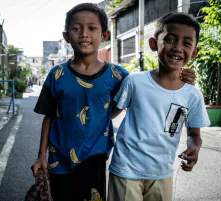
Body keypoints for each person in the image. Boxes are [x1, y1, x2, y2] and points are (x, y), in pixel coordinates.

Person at [31, 4, 197, 201]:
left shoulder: (119, 75)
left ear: (104, 35)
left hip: (96, 156)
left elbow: (153, 88)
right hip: (57, 158)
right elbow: (49, 115)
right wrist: (41, 155)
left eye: (92, 28)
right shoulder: (56, 75)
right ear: (66, 36)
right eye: (76, 28)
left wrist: (181, 76)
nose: (84, 34)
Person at [108, 12, 210, 201]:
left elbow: (194, 135)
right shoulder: (134, 82)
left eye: (186, 43)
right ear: (154, 44)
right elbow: (110, 114)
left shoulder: (192, 95)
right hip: (125, 169)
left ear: (194, 52)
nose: (178, 48)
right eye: (170, 39)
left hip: (162, 173)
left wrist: (194, 149)